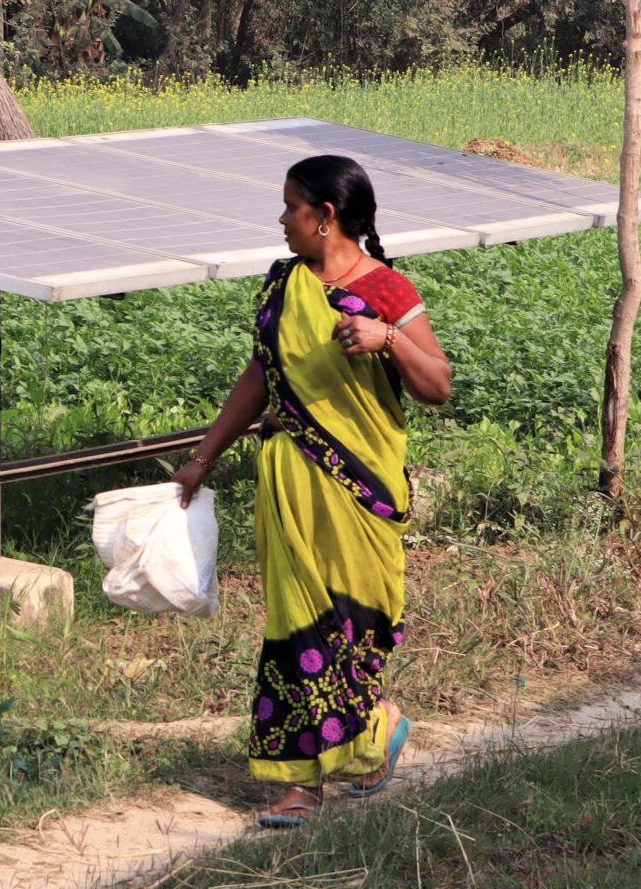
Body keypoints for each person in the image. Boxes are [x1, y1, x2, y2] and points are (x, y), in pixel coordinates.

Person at [171, 155, 453, 830]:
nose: (282, 219)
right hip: (290, 481)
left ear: (325, 217)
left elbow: (438, 385)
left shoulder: (386, 289)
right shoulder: (284, 286)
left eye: (291, 207)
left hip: (363, 490)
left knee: (353, 624)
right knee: (296, 624)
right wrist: (202, 460)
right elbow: (261, 378)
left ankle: (373, 728)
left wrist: (387, 339)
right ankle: (299, 783)